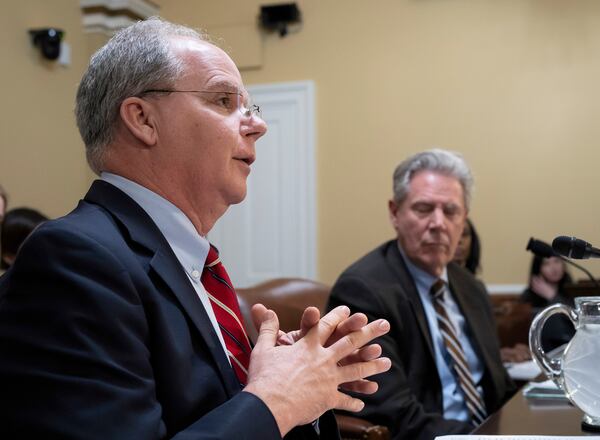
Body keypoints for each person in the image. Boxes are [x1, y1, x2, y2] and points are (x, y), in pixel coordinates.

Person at [0, 18, 391, 439]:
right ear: (143, 119)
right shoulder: (74, 259)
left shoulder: (187, 262)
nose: (258, 125)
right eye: (224, 100)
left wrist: (301, 382)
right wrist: (276, 398)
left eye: (250, 107)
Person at [328, 149, 515, 440]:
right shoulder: (363, 291)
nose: (438, 223)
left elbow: (499, 388)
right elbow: (394, 414)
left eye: (451, 211)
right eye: (424, 209)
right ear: (395, 213)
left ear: (464, 219)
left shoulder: (471, 288)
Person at [520, 254, 575, 352]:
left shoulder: (574, 291)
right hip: (542, 353)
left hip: (572, 350)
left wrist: (553, 297)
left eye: (557, 261)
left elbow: (575, 319)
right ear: (538, 268)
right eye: (546, 264)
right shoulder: (528, 296)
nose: (554, 268)